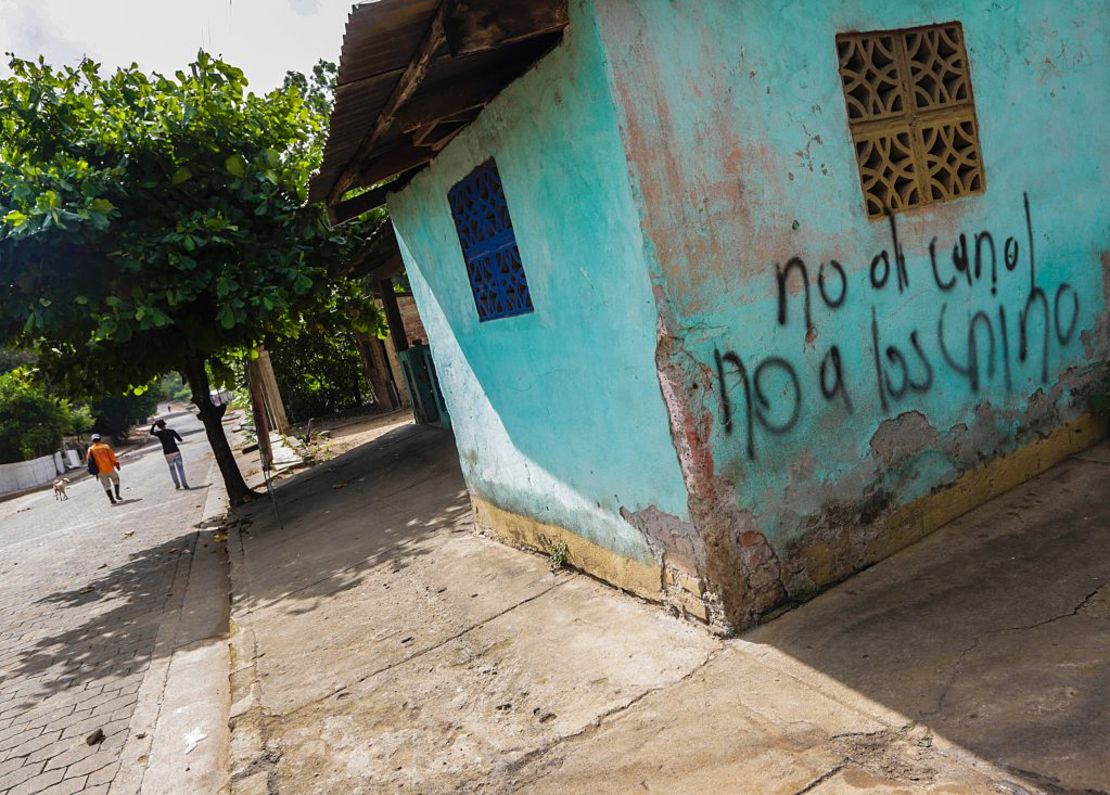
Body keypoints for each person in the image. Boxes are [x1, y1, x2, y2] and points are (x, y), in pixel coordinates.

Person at [150, 419, 190, 489]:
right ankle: (184, 484)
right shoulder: (171, 431)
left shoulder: (159, 433)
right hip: (175, 451)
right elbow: (180, 440)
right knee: (180, 469)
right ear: (165, 425)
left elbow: (151, 432)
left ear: (159, 427)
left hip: (167, 453)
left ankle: (177, 484)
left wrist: (153, 425)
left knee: (172, 469)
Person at [86, 434, 122, 504]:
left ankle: (112, 500)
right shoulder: (106, 447)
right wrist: (117, 464)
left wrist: (95, 472)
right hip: (110, 468)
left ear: (92, 441)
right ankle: (117, 495)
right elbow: (112, 457)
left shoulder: (90, 450)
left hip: (100, 471)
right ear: (100, 439)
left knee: (106, 485)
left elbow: (89, 461)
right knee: (116, 480)